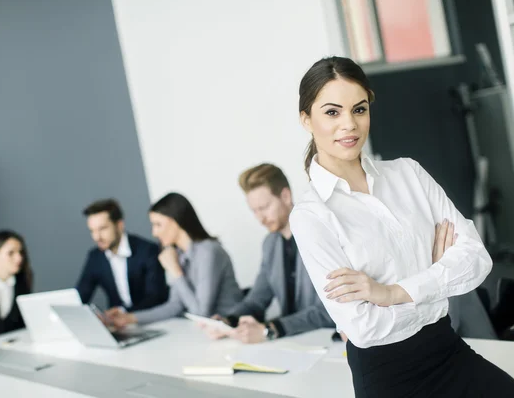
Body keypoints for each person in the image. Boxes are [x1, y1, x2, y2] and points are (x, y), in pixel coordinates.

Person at [289, 56, 514, 397]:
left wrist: (391, 293)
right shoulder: (310, 215)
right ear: (306, 119)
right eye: (332, 112)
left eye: (359, 109)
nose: (349, 124)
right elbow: (363, 328)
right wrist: (437, 277)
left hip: (448, 351)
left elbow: (477, 259)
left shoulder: (409, 174)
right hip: (389, 379)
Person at [202, 163, 334, 344]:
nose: (260, 218)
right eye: (254, 211)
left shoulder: (319, 233)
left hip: (326, 340)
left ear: (285, 196)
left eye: (264, 208)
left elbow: (329, 309)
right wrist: (228, 321)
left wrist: (271, 330)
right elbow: (257, 300)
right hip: (293, 342)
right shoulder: (270, 244)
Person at [107, 192, 243, 327]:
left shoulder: (208, 251)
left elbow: (202, 314)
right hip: (208, 332)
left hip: (232, 328)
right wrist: (130, 318)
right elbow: (174, 306)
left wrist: (176, 272)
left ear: (176, 221)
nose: (154, 233)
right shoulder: (179, 254)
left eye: (158, 225)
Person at [76, 199, 168, 315]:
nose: (96, 237)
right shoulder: (95, 257)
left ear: (119, 225)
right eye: (92, 231)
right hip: (118, 326)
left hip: (151, 318)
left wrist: (123, 312)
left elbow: (156, 297)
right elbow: (80, 296)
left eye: (102, 229)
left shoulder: (148, 251)